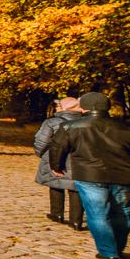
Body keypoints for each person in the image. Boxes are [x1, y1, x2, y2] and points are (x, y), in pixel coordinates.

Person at [48, 91, 130, 259]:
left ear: (83, 108)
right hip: (124, 175)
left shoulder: (70, 127)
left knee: (97, 214)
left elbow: (57, 148)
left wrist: (57, 166)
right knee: (122, 212)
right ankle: (117, 248)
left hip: (89, 175)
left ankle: (108, 251)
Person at [34, 97, 83, 227]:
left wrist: (40, 153)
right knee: (76, 188)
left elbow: (42, 141)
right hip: (79, 158)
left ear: (63, 108)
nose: (56, 108)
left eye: (58, 105)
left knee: (55, 184)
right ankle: (76, 220)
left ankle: (57, 214)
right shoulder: (84, 121)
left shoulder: (52, 122)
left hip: (55, 156)